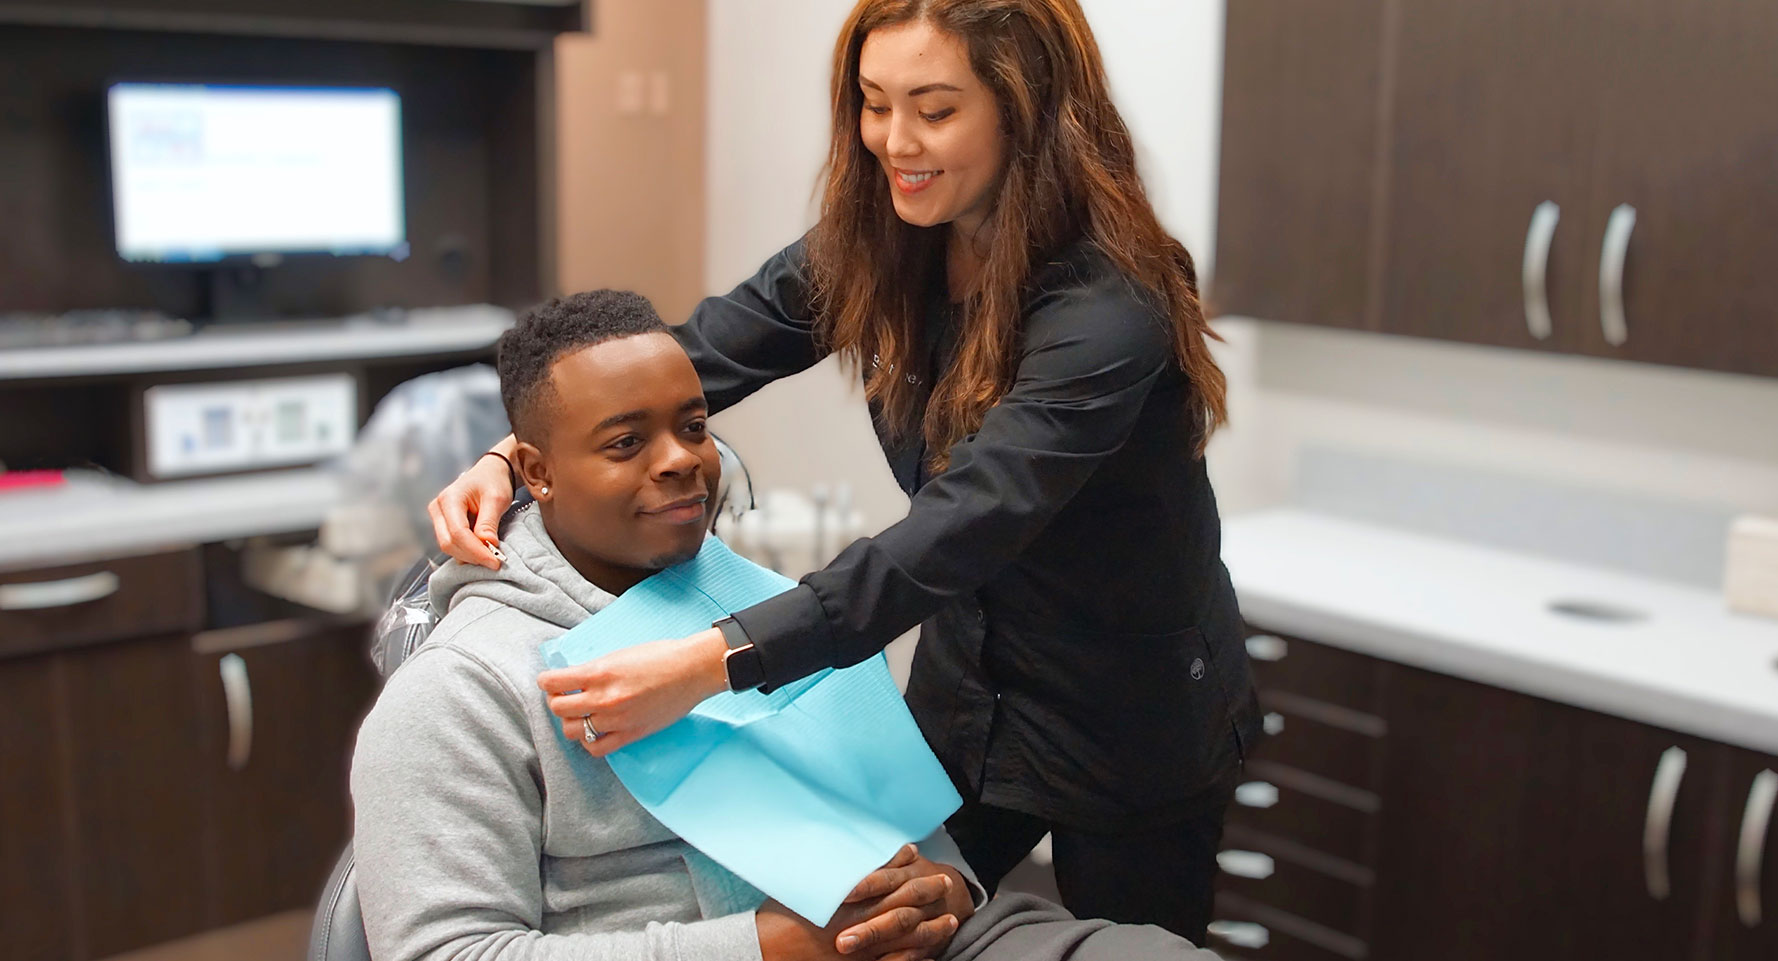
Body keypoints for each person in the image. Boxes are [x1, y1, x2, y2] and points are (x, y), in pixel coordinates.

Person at [429, 0, 1259, 941]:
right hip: (971, 688)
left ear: (1023, 112)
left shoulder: (1112, 304)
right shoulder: (880, 243)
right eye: (873, 104)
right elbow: (694, 354)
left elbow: (962, 524)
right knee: (894, 927)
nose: (893, 142)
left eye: (934, 110)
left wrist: (711, 663)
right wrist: (514, 452)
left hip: (1130, 710)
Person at [354, 290, 1222, 961]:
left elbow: (908, 825)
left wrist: (945, 889)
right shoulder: (462, 691)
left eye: (694, 427)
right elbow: (447, 950)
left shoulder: (776, 620)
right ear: (533, 470)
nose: (681, 461)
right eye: (626, 442)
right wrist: (769, 945)